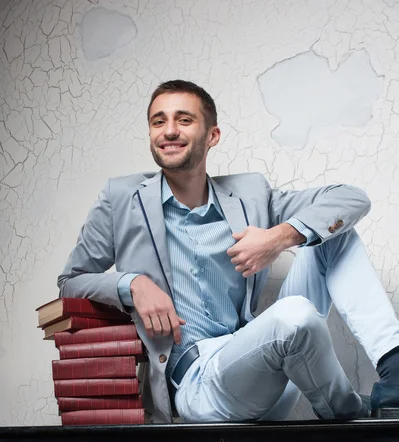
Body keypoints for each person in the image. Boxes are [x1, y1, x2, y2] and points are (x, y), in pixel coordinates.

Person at [57, 80, 399, 424]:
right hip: (199, 385)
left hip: (259, 365)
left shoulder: (249, 193)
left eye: (184, 120)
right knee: (295, 314)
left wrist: (278, 238)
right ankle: (353, 412)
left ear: (212, 136)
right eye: (158, 121)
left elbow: (352, 198)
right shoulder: (121, 198)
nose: (169, 131)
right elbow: (70, 282)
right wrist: (132, 285)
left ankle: (395, 369)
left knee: (332, 233)